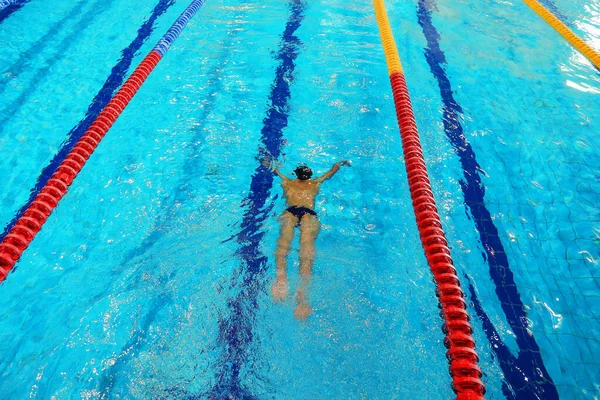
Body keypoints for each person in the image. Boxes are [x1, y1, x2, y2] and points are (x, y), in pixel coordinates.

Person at [266, 160, 351, 320]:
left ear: (296, 175)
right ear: (309, 175)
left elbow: (275, 171)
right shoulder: (316, 182)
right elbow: (331, 172)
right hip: (308, 214)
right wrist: (341, 163)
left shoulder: (288, 182)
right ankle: (302, 297)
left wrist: (266, 161)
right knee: (306, 249)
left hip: (290, 212)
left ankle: (280, 280)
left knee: (283, 244)